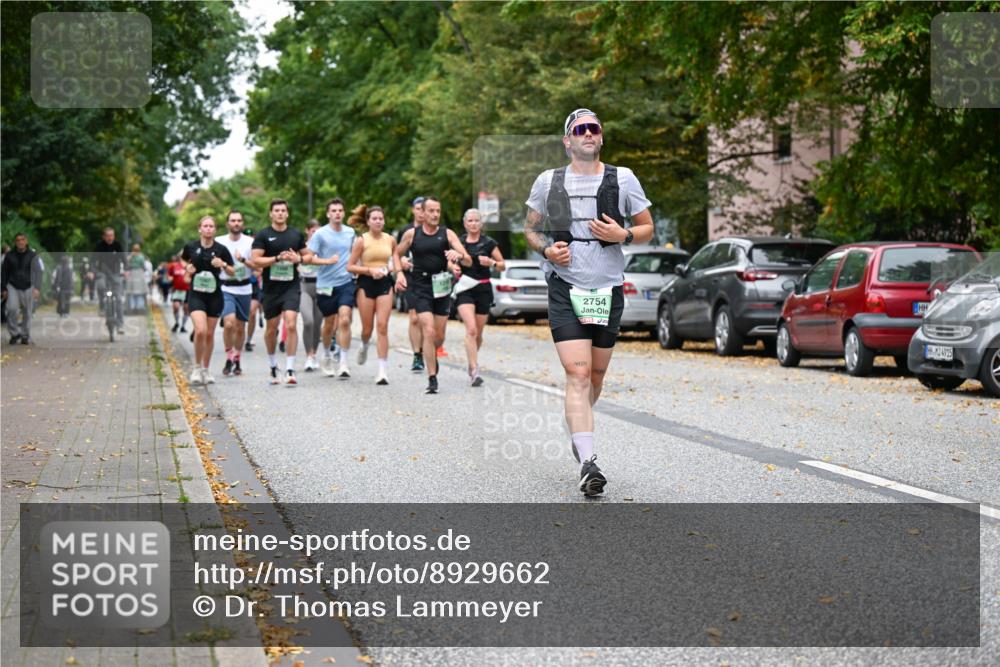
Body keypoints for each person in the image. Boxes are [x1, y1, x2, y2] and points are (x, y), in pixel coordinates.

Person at [523, 108, 654, 497]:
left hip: (607, 289)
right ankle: (588, 462)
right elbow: (531, 229)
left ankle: (578, 430)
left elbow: (648, 228)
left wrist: (623, 234)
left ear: (601, 137)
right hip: (566, 287)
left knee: (595, 377)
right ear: (567, 141)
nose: (588, 134)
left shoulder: (623, 178)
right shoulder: (549, 181)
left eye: (594, 128)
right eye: (580, 129)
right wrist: (548, 250)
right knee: (578, 375)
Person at [393, 196, 472, 394]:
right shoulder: (412, 234)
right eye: (431, 211)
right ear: (423, 213)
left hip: (442, 286)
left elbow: (468, 260)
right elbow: (395, 253)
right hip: (420, 286)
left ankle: (431, 354)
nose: (435, 214)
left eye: (438, 211)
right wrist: (400, 272)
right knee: (428, 330)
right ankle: (432, 377)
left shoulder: (447, 234)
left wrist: (459, 256)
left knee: (438, 335)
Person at [251, 198, 312, 386]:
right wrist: (277, 258)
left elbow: (309, 256)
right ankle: (273, 365)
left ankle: (290, 368)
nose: (280, 213)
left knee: (292, 324)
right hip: (271, 289)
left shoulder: (295, 234)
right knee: (271, 330)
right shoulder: (263, 235)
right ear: (271, 213)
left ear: (287, 213)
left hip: (291, 287)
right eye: (276, 210)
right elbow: (255, 260)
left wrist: (297, 259)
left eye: (283, 210)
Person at [454, 208, 505, 386]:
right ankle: (475, 370)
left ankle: (471, 361)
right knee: (471, 330)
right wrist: (453, 267)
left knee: (479, 333)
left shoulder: (489, 242)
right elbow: (449, 259)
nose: (474, 224)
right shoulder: (459, 242)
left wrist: (491, 262)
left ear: (481, 223)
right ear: (465, 223)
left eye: (477, 221)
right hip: (465, 288)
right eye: (470, 221)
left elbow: (502, 266)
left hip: (483, 288)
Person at [347, 204, 397, 385]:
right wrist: (369, 270)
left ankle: (382, 371)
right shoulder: (361, 240)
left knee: (382, 326)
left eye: (381, 218)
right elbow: (350, 266)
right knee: (367, 329)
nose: (378, 221)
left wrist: (397, 271)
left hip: (384, 283)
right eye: (374, 218)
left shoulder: (390, 240)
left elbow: (396, 261)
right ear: (368, 222)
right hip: (366, 284)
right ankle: (365, 344)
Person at [182, 216, 235, 385]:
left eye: (211, 226)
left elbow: (233, 271)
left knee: (210, 333)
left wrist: (224, 265)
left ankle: (206, 368)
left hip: (214, 295)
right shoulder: (191, 247)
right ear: (200, 229)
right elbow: (185, 270)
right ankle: (197, 368)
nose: (208, 229)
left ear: (215, 229)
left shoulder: (221, 249)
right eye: (205, 226)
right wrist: (187, 271)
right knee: (200, 330)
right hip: (196, 295)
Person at [306, 198, 356, 378]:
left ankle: (343, 362)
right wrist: (327, 261)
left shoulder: (350, 232)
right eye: (333, 210)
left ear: (343, 213)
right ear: (328, 214)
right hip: (326, 285)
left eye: (340, 210)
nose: (337, 213)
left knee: (344, 320)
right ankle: (326, 354)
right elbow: (308, 258)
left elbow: (356, 253)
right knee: (328, 324)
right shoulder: (320, 234)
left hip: (346, 282)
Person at [215, 210, 256, 376]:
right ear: (227, 224)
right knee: (229, 322)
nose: (236, 223)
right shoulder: (219, 241)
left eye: (239, 221)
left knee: (240, 327)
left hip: (244, 288)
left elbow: (258, 266)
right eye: (233, 221)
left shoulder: (250, 242)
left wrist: (244, 260)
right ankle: (228, 356)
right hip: (226, 287)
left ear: (242, 224)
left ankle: (237, 358)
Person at [396, 197, 426, 371]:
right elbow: (396, 252)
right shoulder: (406, 230)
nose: (421, 212)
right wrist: (402, 261)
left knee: (427, 320)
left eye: (424, 208)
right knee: (415, 318)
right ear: (413, 210)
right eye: (418, 208)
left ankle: (427, 349)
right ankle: (417, 355)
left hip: (429, 279)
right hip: (411, 277)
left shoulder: (435, 231)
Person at [1, 233, 43, 344]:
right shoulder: (9, 256)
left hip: (28, 286)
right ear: (15, 242)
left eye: (22, 240)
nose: (20, 242)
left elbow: (38, 272)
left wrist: (37, 288)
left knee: (27, 312)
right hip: (12, 286)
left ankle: (25, 335)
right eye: (18, 240)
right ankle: (14, 334)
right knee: (12, 309)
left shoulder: (33, 255)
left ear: (26, 241)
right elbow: (4, 273)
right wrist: (3, 288)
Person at [298, 219, 323, 372]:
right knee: (308, 321)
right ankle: (308, 355)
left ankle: (314, 353)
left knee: (317, 323)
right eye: (313, 230)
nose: (315, 233)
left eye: (318, 231)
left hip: (321, 286)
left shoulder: (324, 247)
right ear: (307, 231)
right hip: (304, 285)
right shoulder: (301, 247)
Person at [92, 227, 126, 335]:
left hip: (116, 274)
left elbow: (124, 259)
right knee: (101, 286)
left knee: (119, 299)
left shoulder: (118, 245)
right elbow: (93, 261)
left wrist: (126, 270)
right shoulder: (99, 246)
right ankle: (102, 306)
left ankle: (120, 324)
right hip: (103, 273)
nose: (110, 238)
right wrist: (91, 271)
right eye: (108, 235)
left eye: (112, 235)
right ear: (104, 237)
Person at [167, 254, 189, 333]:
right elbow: (169, 274)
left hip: (187, 290)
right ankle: (176, 323)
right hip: (177, 290)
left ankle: (183, 326)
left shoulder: (190, 266)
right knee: (176, 307)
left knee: (186, 309)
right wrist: (170, 278)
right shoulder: (174, 266)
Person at [126, 244, 149, 312]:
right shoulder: (141, 257)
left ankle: (133, 306)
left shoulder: (130, 256)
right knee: (140, 291)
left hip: (133, 273)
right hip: (139, 273)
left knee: (132, 290)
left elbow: (127, 264)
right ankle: (139, 306)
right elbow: (144, 266)